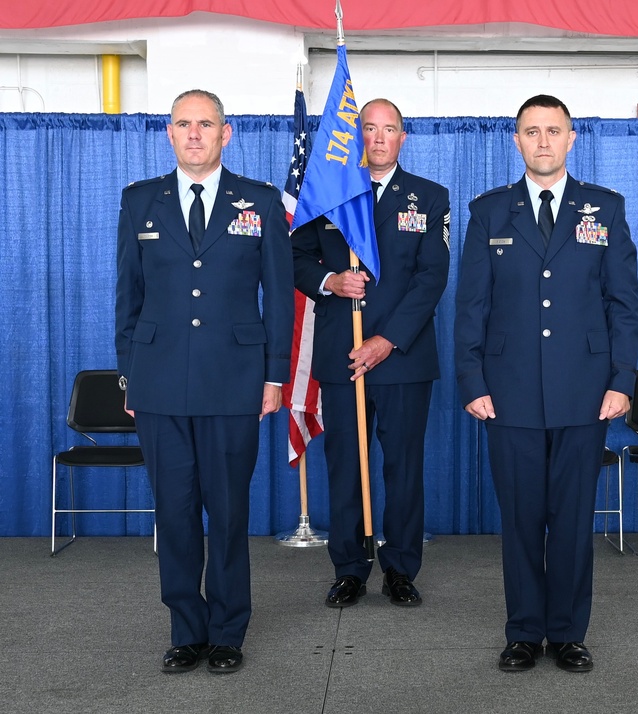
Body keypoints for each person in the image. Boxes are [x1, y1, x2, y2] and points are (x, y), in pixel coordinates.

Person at [454, 94, 638, 673]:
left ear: (571, 138)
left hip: (585, 392)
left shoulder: (603, 208)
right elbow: (471, 307)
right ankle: (522, 631)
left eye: (553, 131)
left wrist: (622, 380)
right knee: (520, 520)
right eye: (531, 132)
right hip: (506, 393)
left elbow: (624, 306)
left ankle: (567, 632)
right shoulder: (489, 211)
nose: (542, 141)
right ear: (516, 140)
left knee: (572, 517)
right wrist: (472, 379)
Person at [115, 89, 294, 674]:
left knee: (228, 510)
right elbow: (128, 300)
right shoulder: (140, 201)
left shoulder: (260, 202)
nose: (195, 134)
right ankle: (185, 630)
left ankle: (227, 631)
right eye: (183, 124)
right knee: (174, 513)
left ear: (227, 132)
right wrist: (130, 379)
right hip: (160, 383)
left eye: (206, 124)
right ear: (169, 133)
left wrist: (274, 377)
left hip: (234, 382)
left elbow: (280, 302)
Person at [292, 98, 450, 609]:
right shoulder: (330, 196)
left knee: (403, 466)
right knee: (346, 466)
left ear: (403, 138)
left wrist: (387, 340)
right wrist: (331, 280)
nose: (378, 138)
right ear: (355, 136)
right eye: (369, 129)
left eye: (389, 129)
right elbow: (294, 258)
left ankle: (401, 568)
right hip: (343, 353)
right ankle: (350, 568)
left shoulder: (429, 198)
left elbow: (432, 279)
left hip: (402, 357)